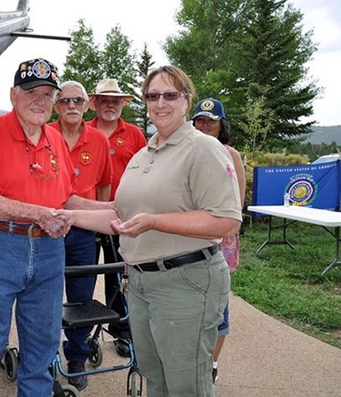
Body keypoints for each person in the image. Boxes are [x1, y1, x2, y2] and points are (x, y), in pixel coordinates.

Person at [59, 65, 242, 397]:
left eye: (170, 95)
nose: (161, 103)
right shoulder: (145, 152)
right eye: (153, 96)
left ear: (187, 100)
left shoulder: (202, 148)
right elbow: (120, 214)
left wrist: (156, 222)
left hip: (185, 282)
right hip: (142, 284)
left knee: (186, 385)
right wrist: (65, 212)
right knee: (155, 379)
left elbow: (226, 221)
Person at [0, 58, 114, 397]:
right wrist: (38, 213)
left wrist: (114, 211)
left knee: (42, 345)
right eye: (31, 92)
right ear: (14, 95)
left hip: (47, 253)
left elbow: (65, 200)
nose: (40, 100)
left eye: (47, 93)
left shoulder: (54, 139)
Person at [47, 80, 112, 390]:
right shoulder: (43, 135)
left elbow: (104, 185)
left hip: (83, 231)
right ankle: (45, 358)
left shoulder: (99, 140)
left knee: (82, 297)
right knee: (43, 297)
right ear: (56, 106)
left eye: (77, 101)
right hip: (46, 229)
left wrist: (99, 223)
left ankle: (76, 356)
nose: (71, 106)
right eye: (65, 101)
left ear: (87, 106)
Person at [88, 78, 147, 357]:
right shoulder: (83, 130)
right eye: (104, 100)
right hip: (87, 215)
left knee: (120, 275)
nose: (110, 104)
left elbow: (148, 172)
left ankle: (121, 331)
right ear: (95, 104)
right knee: (82, 276)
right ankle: (81, 333)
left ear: (121, 104)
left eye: (115, 100)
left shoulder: (134, 134)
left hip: (124, 216)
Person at [192, 97, 246, 383]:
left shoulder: (230, 154)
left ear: (221, 125)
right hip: (190, 236)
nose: (204, 125)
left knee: (218, 304)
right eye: (200, 120)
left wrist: (228, 228)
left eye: (211, 121)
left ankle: (211, 362)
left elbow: (238, 198)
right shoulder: (185, 150)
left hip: (220, 239)